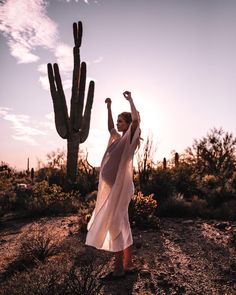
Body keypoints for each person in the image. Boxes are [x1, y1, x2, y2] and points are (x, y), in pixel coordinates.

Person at [85, 90, 141, 279]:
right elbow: (110, 128)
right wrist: (109, 108)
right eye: (118, 121)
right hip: (112, 189)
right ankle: (129, 265)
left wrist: (131, 100)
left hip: (121, 188)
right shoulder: (118, 138)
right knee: (122, 224)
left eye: (121, 121)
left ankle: (118, 270)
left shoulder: (130, 138)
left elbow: (136, 121)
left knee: (115, 225)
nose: (118, 124)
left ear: (128, 124)